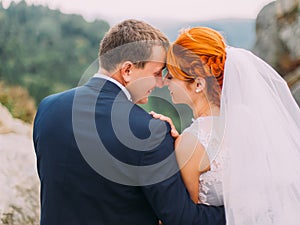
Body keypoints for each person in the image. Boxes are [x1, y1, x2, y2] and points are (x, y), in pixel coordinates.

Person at [32, 19, 226, 225]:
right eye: (156, 73)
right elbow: (181, 218)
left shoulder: (48, 108)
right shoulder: (149, 131)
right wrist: (244, 212)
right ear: (127, 70)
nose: (161, 82)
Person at [151, 26, 300, 224]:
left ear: (198, 84)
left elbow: (184, 217)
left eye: (171, 75)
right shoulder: (251, 119)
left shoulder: (191, 143)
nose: (165, 81)